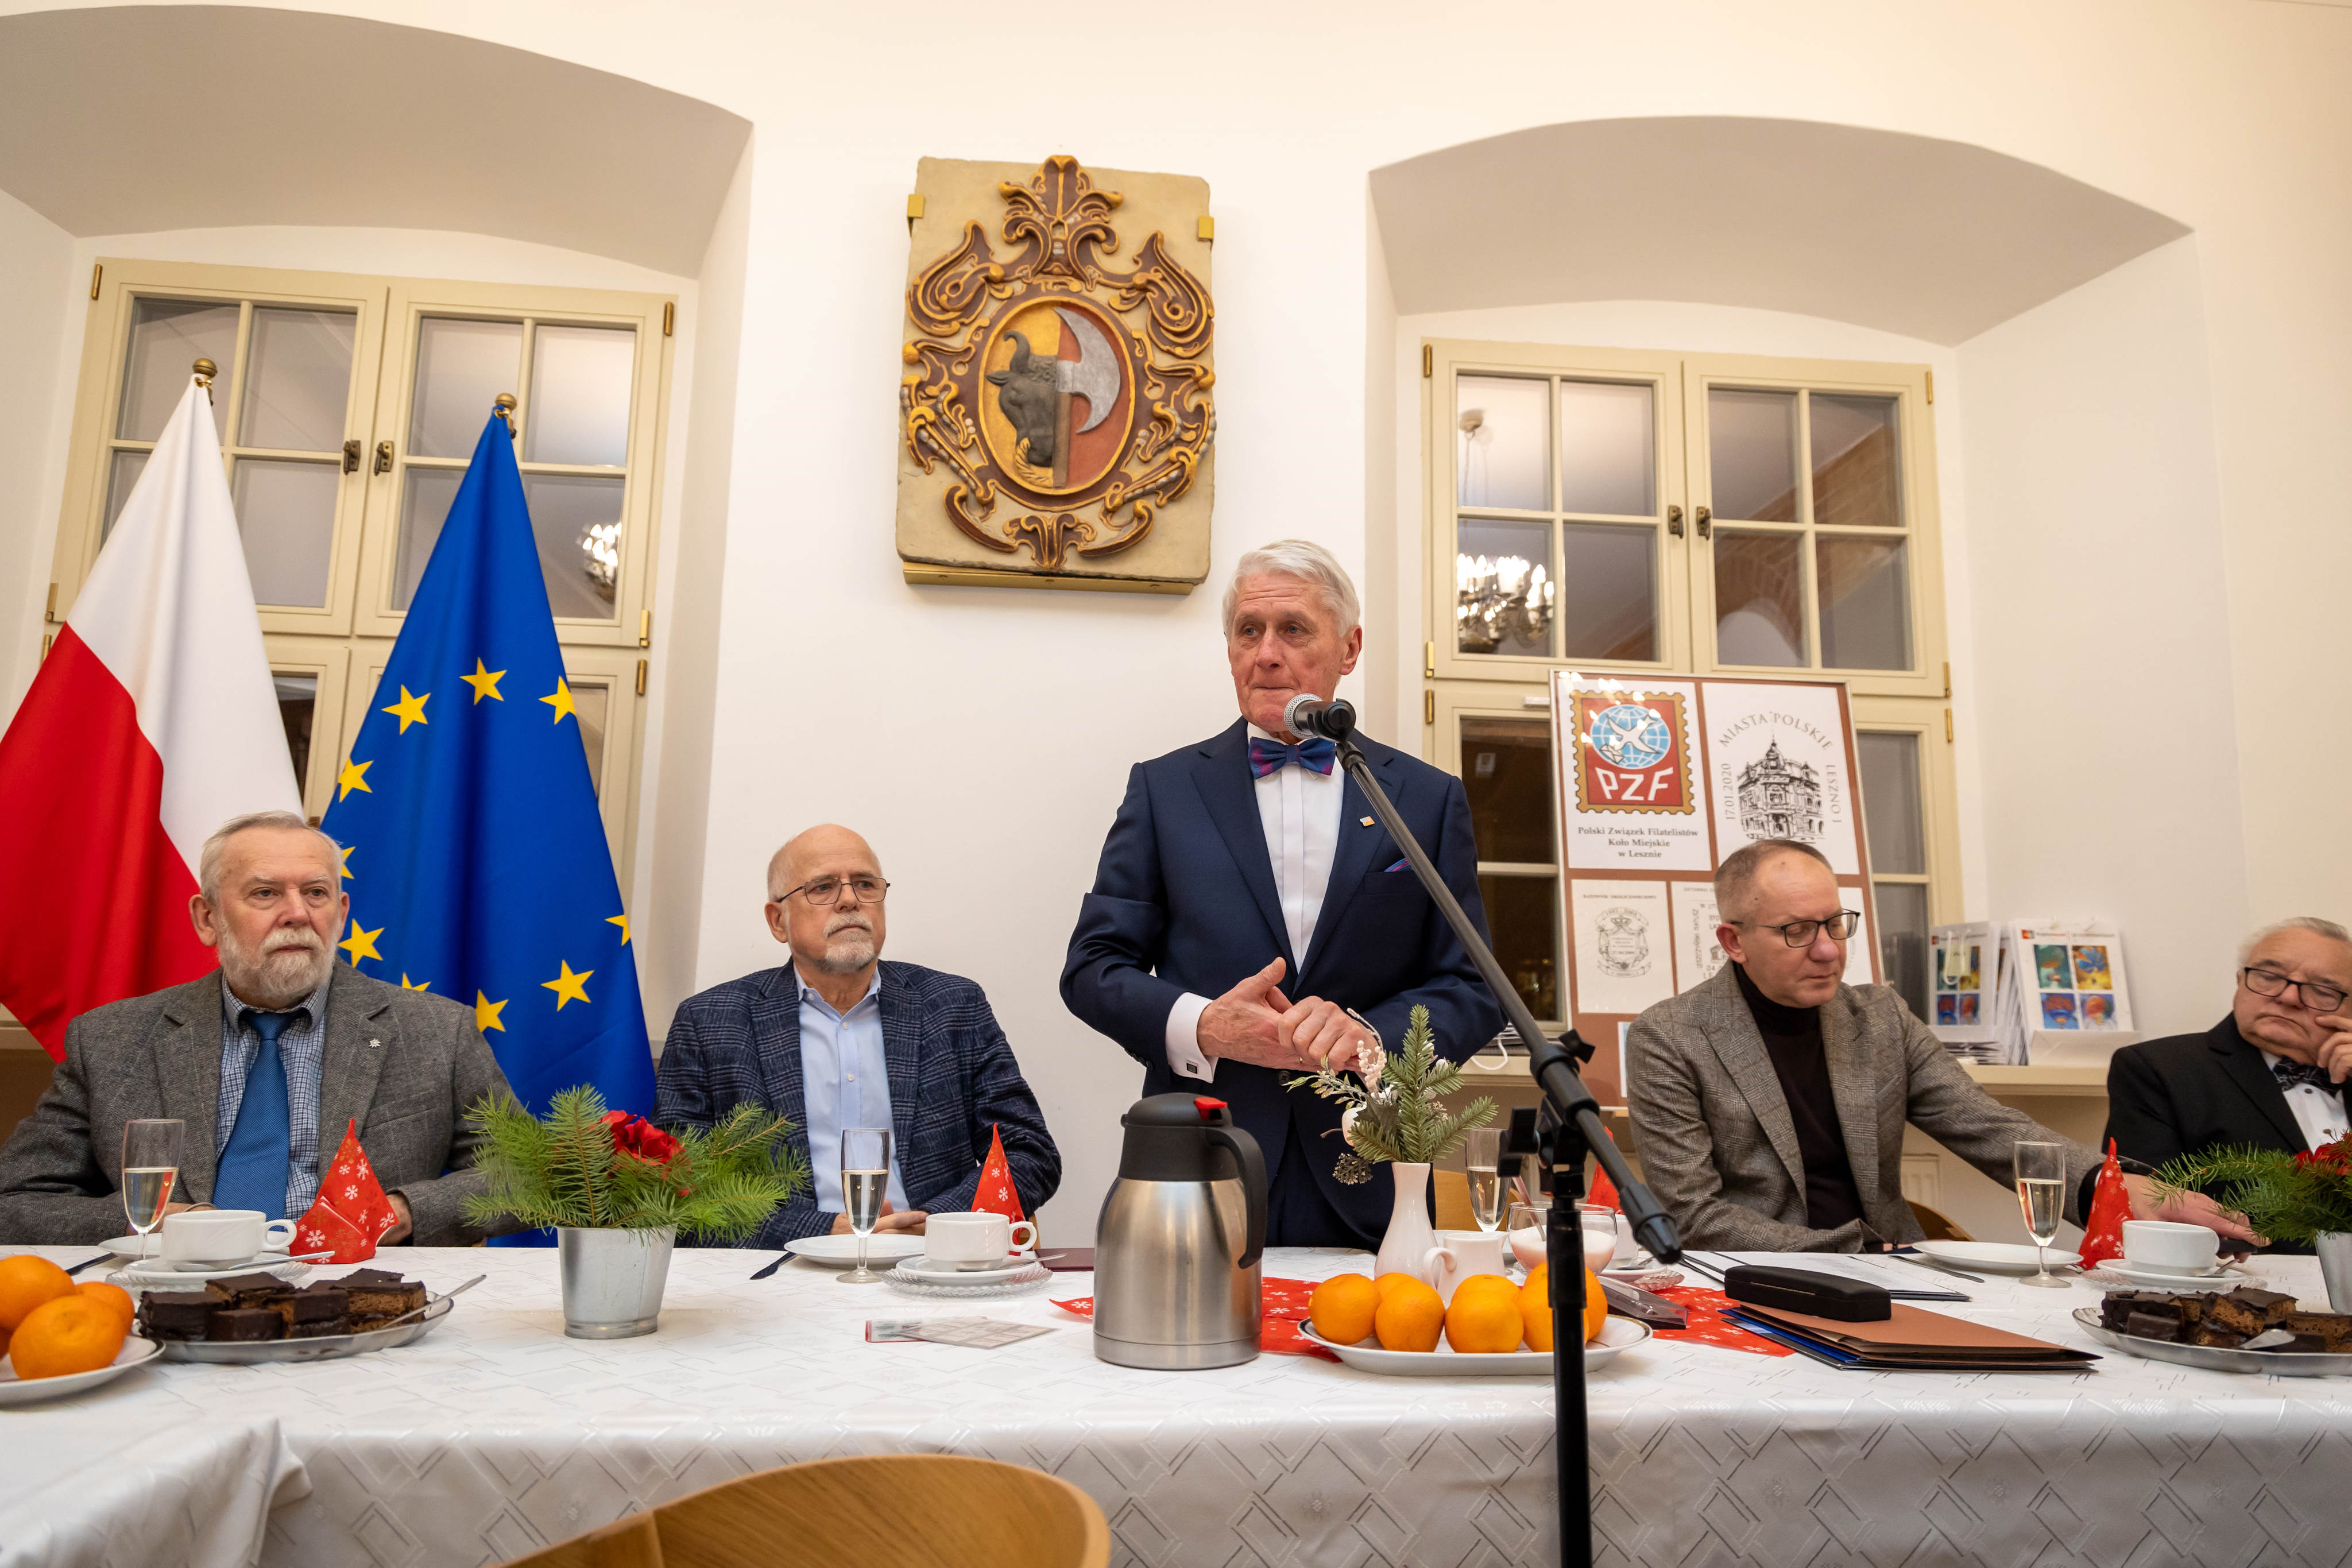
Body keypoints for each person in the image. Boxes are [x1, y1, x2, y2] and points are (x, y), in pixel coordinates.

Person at [1061, 540, 1501, 1249]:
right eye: (1248, 631)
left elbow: (1473, 986)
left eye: (1293, 629)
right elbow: (1092, 968)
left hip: (1372, 1177)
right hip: (1195, 1172)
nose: (1266, 654)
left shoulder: (1425, 799)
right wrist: (1203, 1025)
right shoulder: (1164, 789)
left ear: (1349, 648)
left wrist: (1371, 1036)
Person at [1625, 838, 2261, 1252]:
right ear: (1733, 941)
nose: (1827, 949)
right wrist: (1857, 1251)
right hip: (1757, 1285)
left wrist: (2105, 1186)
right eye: (1796, 930)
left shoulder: (1879, 1017)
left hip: (1897, 1276)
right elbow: (1695, 1215)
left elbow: (1988, 1127)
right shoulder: (1671, 1036)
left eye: (1835, 923)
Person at [0, 811, 513, 1246]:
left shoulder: (436, 1031)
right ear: (207, 918)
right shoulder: (110, 1040)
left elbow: (525, 1175)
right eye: (265, 893)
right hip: (176, 1293)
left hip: (362, 1293)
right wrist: (155, 1223)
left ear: (340, 914)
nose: (298, 913)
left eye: (316, 892)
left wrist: (401, 1211)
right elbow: (16, 1200)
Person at [653, 824, 1059, 1248]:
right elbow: (679, 1186)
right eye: (822, 887)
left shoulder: (953, 1006)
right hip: (783, 1266)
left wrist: (937, 1222)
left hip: (931, 1261)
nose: (850, 900)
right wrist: (822, 1232)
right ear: (778, 921)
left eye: (865, 884)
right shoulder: (710, 1022)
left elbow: (1029, 1152)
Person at [2105, 918, 2351, 1249]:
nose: (2289, 996)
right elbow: (2148, 1218)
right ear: (2240, 982)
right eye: (2269, 976)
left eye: (2322, 990)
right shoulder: (2159, 1069)